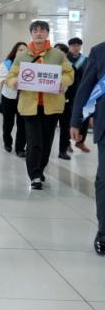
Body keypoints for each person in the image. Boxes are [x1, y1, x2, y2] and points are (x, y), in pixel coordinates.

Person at [6, 20, 74, 189]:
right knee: (34, 141)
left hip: (52, 106)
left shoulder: (58, 55)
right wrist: (14, 82)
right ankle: (34, 175)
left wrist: (62, 82)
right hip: (30, 106)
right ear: (31, 33)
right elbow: (11, 75)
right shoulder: (22, 56)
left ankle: (41, 168)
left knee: (46, 141)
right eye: (35, 30)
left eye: (42, 30)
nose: (39, 33)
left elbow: (69, 73)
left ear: (47, 33)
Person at [70, 41, 105, 255]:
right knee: (104, 179)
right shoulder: (100, 51)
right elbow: (86, 88)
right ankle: (104, 232)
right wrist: (76, 121)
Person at [0, 42, 27, 157]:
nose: (22, 52)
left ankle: (20, 148)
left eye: (24, 50)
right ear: (15, 51)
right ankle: (7, 142)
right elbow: (2, 79)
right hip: (9, 96)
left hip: (24, 97)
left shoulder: (30, 64)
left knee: (22, 123)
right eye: (20, 50)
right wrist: (13, 83)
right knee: (8, 122)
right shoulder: (6, 64)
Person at [68, 37, 91, 154]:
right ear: (69, 46)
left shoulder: (86, 60)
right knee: (68, 118)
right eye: (73, 45)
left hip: (83, 93)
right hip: (69, 93)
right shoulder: (65, 59)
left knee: (85, 118)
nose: (76, 47)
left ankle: (80, 142)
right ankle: (66, 143)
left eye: (78, 45)